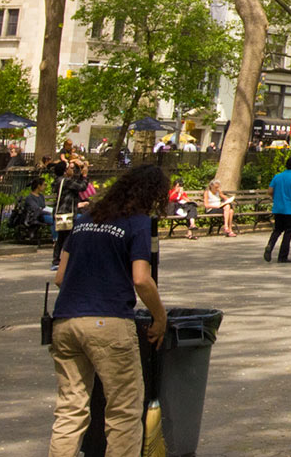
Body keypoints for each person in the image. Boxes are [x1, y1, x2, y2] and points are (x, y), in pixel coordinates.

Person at [47, 163, 167, 457]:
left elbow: (60, 277)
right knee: (124, 409)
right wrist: (160, 317)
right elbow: (141, 279)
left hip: (65, 321)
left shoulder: (86, 219)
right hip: (109, 321)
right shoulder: (137, 223)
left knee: (71, 409)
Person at [265, 155, 291, 263]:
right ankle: (282, 256)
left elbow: (269, 191)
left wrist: (275, 197)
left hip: (278, 208)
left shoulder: (277, 176)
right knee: (288, 233)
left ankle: (270, 245)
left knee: (277, 230)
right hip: (289, 209)